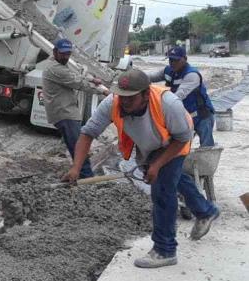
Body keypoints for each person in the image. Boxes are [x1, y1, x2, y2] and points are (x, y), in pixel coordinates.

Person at [62, 69, 220, 269]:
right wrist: (76, 167)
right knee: (174, 179)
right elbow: (87, 134)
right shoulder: (112, 103)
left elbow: (182, 138)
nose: (124, 102)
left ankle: (165, 250)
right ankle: (206, 211)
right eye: (121, 96)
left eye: (130, 98)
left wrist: (157, 165)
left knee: (162, 191)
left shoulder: (168, 104)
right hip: (150, 144)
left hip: (175, 142)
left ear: (146, 94)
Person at [43, 39, 109, 179]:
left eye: (68, 54)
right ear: (55, 52)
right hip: (64, 113)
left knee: (76, 146)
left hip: (66, 112)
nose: (66, 57)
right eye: (63, 54)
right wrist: (104, 92)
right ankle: (86, 177)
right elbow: (78, 83)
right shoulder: (55, 68)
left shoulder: (57, 64)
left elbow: (75, 75)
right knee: (78, 147)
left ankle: (82, 174)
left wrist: (91, 79)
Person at [147, 46, 215, 147]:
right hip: (185, 114)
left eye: (176, 60)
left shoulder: (192, 75)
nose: (172, 63)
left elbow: (177, 97)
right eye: (170, 60)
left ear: (185, 59)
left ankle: (207, 161)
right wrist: (137, 76)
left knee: (207, 147)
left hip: (201, 116)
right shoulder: (169, 70)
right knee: (181, 145)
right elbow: (151, 77)